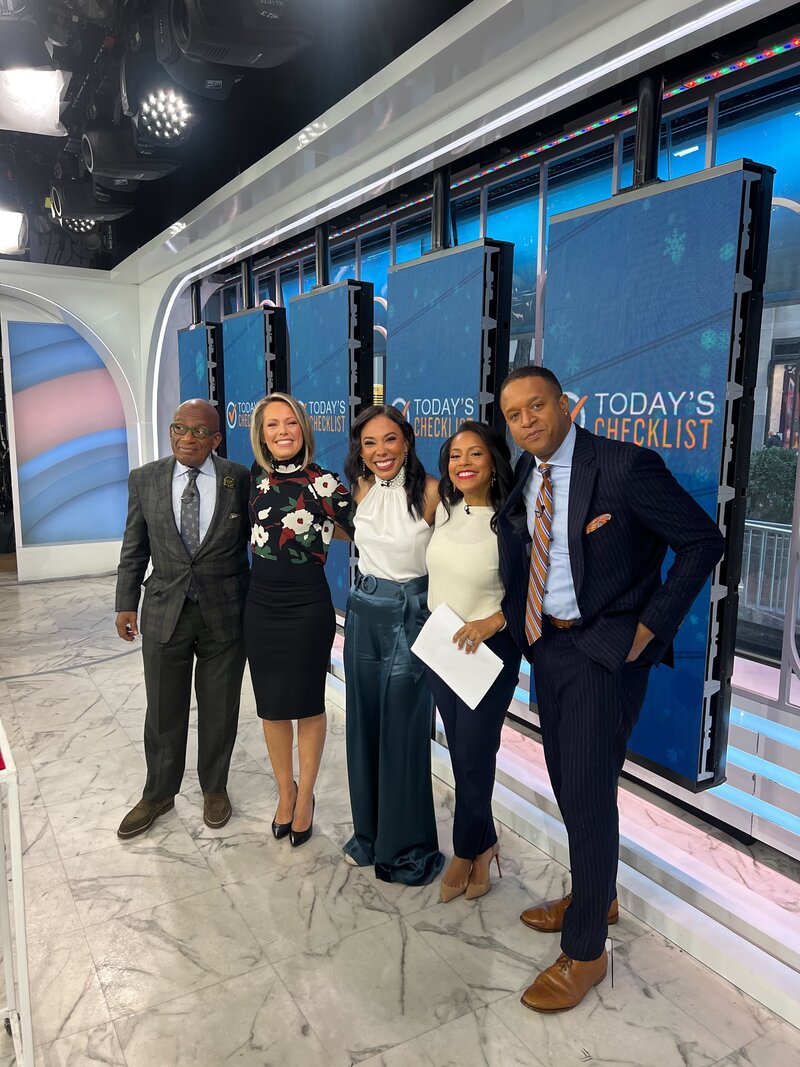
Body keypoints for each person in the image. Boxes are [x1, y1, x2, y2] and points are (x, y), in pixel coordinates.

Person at [497, 366, 724, 1013]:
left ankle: (587, 948)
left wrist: (649, 629)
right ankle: (598, 895)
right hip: (549, 647)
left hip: (604, 653)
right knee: (572, 786)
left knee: (590, 796)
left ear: (565, 404)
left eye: (537, 406)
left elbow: (701, 541)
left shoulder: (624, 466)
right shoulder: (529, 471)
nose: (527, 421)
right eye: (514, 414)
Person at [115, 399, 250, 838]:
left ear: (216, 438)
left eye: (199, 431)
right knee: (162, 709)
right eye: (179, 428)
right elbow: (134, 545)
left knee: (220, 708)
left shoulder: (239, 478)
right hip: (163, 610)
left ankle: (215, 788)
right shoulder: (145, 479)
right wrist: (125, 602)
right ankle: (158, 793)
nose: (187, 438)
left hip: (225, 613)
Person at [244, 392, 354, 847]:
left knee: (308, 704)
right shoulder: (253, 478)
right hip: (260, 604)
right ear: (262, 434)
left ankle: (305, 796)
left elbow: (365, 528)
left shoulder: (324, 482)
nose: (282, 431)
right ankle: (284, 793)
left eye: (290, 422)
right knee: (271, 706)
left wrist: (323, 530)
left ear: (304, 429)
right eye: (272, 425)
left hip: (308, 605)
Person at [342, 405, 444, 884]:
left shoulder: (432, 492)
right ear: (359, 450)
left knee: (402, 733)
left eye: (389, 440)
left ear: (406, 442)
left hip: (411, 618)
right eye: (369, 443)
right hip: (363, 613)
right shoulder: (358, 488)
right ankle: (369, 835)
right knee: (362, 726)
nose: (380, 451)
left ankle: (407, 849)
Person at [425, 422, 520, 902]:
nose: (462, 463)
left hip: (489, 651)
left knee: (475, 754)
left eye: (475, 454)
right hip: (442, 647)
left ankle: (465, 851)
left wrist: (494, 622)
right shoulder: (444, 509)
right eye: (455, 455)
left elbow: (533, 592)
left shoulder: (512, 522)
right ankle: (486, 844)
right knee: (462, 753)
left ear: (494, 463)